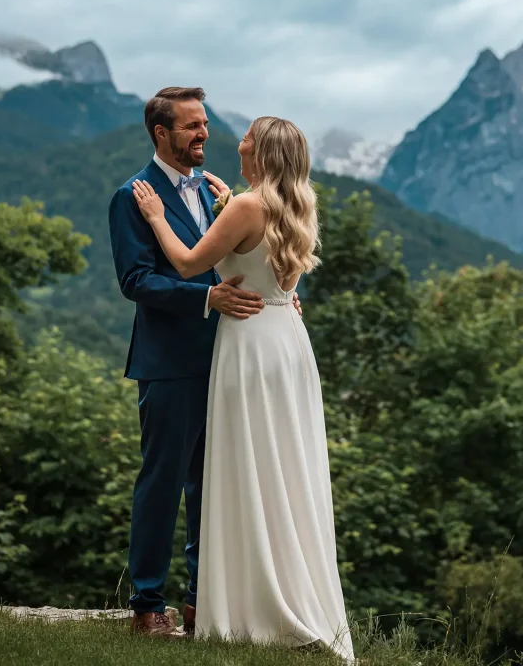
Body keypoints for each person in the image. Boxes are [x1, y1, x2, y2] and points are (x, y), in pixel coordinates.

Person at [132, 114, 354, 660]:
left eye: (248, 136)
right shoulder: (296, 203)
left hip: (249, 344)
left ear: (263, 151)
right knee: (283, 467)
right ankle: (285, 590)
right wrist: (231, 204)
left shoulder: (246, 207)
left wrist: (157, 216)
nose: (238, 141)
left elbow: (188, 265)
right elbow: (260, 256)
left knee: (248, 465)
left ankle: (248, 600)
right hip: (287, 341)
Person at [108, 86, 302, 638]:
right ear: (161, 133)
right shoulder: (132, 197)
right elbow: (136, 281)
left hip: (230, 359)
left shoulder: (220, 194)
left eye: (205, 124)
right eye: (192, 125)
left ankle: (202, 602)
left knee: (213, 485)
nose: (204, 133)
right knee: (163, 483)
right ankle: (148, 605)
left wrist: (279, 295)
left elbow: (240, 255)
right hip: (171, 363)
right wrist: (205, 299)